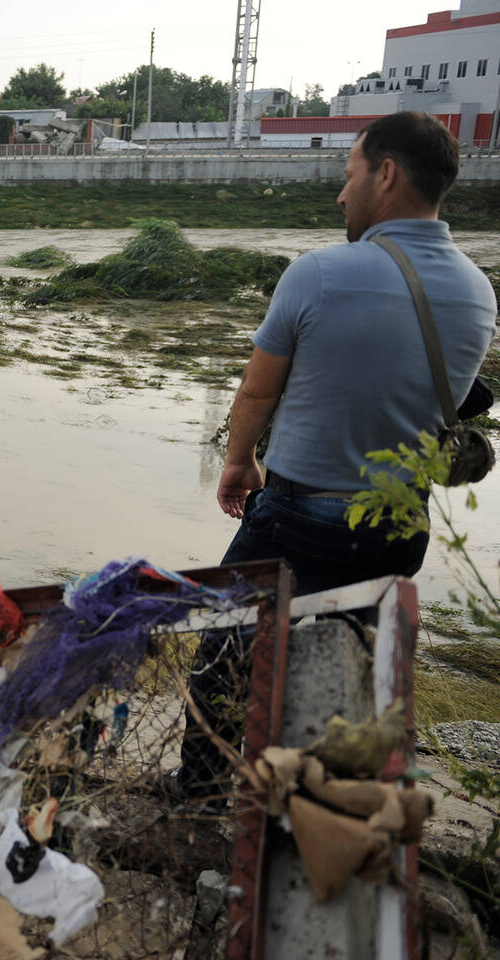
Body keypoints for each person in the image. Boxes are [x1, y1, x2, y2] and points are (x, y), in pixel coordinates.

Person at [174, 111, 496, 805]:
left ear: (386, 174)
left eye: (349, 174)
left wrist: (239, 461)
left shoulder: (318, 273)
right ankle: (323, 804)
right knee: (351, 678)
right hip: (398, 526)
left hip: (298, 518)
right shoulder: (478, 291)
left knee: (226, 662)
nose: (340, 195)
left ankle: (200, 797)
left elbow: (258, 390)